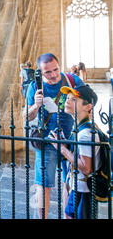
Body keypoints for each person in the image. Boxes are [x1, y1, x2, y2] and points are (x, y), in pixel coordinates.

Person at [23, 53, 84, 218]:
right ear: (40, 72)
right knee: (43, 185)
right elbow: (26, 116)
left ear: (59, 65)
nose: (54, 75)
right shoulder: (35, 87)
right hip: (47, 139)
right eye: (48, 72)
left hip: (71, 139)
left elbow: (88, 103)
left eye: (55, 69)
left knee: (69, 183)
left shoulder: (73, 81)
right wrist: (35, 106)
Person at [48, 84, 100, 219]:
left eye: (74, 100)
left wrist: (62, 149)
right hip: (78, 188)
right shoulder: (79, 127)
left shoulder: (86, 133)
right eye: (68, 98)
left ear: (88, 107)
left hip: (84, 191)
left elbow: (86, 167)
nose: (68, 101)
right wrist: (64, 143)